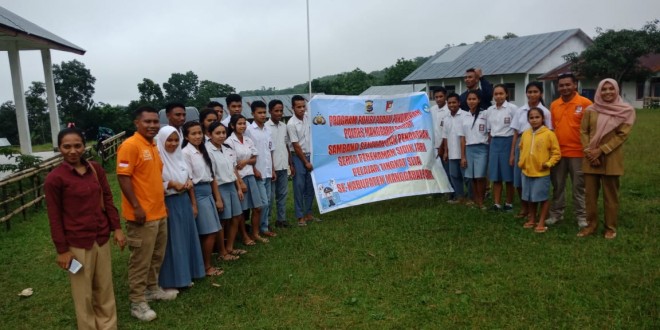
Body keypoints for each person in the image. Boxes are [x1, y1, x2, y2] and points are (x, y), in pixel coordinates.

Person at [45, 127, 126, 330]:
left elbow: (107, 198)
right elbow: (54, 217)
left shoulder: (95, 169)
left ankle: (108, 326)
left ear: (84, 146)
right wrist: (62, 250)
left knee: (104, 289)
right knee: (83, 294)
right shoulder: (55, 178)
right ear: (59, 148)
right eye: (67, 146)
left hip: (101, 238)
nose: (73, 151)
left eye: (77, 145)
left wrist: (116, 228)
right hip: (77, 243)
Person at [117, 106, 175, 322]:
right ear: (136, 123)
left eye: (154, 122)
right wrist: (136, 206)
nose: (152, 125)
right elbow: (123, 177)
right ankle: (137, 302)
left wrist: (161, 203)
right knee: (140, 259)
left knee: (156, 256)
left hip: (158, 211)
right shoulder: (130, 146)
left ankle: (152, 289)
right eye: (147, 122)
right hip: (141, 216)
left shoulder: (152, 145)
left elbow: (154, 178)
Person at [578, 79, 635, 239]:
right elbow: (583, 131)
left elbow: (622, 135)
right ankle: (591, 225)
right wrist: (590, 152)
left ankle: (610, 227)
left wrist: (601, 151)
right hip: (590, 158)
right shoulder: (591, 110)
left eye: (611, 89)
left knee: (611, 195)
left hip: (611, 157)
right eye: (604, 89)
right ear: (599, 91)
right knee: (590, 195)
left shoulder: (625, 110)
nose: (608, 92)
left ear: (617, 90)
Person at [155, 126, 205, 287]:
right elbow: (153, 184)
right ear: (162, 140)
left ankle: (189, 273)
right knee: (173, 241)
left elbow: (188, 177)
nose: (173, 143)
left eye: (176, 140)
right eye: (169, 140)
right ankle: (173, 279)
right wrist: (169, 184)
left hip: (184, 201)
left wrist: (192, 198)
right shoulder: (158, 159)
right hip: (169, 202)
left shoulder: (180, 157)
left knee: (186, 237)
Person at [181, 121, 231, 278]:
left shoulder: (203, 151)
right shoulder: (186, 153)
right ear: (187, 136)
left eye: (199, 133)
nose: (197, 136)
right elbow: (188, 180)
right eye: (193, 134)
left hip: (208, 192)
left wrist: (218, 198)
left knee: (213, 230)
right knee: (208, 232)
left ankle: (205, 264)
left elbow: (212, 177)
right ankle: (206, 266)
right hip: (197, 193)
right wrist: (194, 204)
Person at [547, 73, 592, 227]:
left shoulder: (585, 103)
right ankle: (556, 214)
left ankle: (582, 216)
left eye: (568, 85)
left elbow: (591, 129)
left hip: (579, 153)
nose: (564, 88)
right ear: (557, 87)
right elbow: (552, 129)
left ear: (575, 85)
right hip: (559, 153)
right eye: (561, 85)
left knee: (579, 187)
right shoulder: (554, 105)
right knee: (558, 185)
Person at [510, 82, 552, 219]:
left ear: (541, 94)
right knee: (519, 178)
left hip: (539, 146)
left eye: (535, 92)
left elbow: (549, 133)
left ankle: (537, 209)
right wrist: (512, 153)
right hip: (522, 144)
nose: (532, 94)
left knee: (537, 177)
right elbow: (516, 133)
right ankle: (525, 207)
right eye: (530, 92)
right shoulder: (520, 110)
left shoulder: (545, 112)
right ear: (526, 93)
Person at [225, 114, 270, 244]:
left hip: (250, 176)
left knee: (258, 207)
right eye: (239, 123)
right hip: (240, 178)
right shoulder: (229, 142)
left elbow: (254, 158)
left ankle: (255, 234)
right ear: (232, 126)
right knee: (241, 212)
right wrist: (240, 182)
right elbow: (232, 165)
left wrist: (245, 161)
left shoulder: (248, 140)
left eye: (244, 123)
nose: (243, 126)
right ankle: (244, 236)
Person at [206, 121, 248, 254]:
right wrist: (218, 198)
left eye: (223, 132)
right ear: (209, 134)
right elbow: (212, 175)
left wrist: (239, 187)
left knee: (236, 216)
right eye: (217, 133)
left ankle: (230, 247)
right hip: (220, 187)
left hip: (232, 185)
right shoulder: (208, 151)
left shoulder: (227, 149)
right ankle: (221, 251)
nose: (221, 135)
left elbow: (233, 169)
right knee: (223, 219)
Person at [518, 108, 561, 233]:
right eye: (531, 117)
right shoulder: (525, 133)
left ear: (543, 119)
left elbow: (556, 153)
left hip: (541, 173)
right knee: (530, 197)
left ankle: (541, 221)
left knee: (542, 197)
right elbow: (521, 148)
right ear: (528, 120)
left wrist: (548, 163)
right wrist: (521, 162)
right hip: (526, 171)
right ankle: (532, 218)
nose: (534, 120)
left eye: (537, 117)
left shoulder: (549, 134)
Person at [287, 95, 320, 226]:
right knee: (299, 187)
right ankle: (300, 216)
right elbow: (296, 145)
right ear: (292, 108)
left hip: (310, 155)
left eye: (303, 106)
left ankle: (308, 213)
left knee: (310, 186)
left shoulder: (308, 117)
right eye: (298, 107)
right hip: (298, 157)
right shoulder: (291, 124)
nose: (301, 109)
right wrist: (305, 162)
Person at [246, 101, 277, 237]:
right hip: (257, 172)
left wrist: (273, 169)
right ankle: (258, 230)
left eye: (264, 112)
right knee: (262, 203)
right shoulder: (249, 130)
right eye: (259, 112)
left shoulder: (267, 130)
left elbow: (270, 151)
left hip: (268, 171)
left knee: (268, 201)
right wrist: (253, 169)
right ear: (253, 114)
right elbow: (247, 152)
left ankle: (264, 227)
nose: (262, 115)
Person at [486, 84, 518, 211]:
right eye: (496, 94)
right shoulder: (490, 110)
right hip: (494, 143)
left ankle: (509, 203)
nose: (498, 96)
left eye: (501, 94)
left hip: (508, 142)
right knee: (496, 175)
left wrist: (512, 151)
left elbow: (516, 130)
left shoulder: (512, 109)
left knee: (508, 176)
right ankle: (497, 203)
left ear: (506, 94)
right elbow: (489, 130)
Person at [459, 90, 489, 209]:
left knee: (480, 176)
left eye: (474, 99)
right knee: (472, 177)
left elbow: (490, 132)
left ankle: (481, 201)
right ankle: (475, 199)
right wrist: (463, 156)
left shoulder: (485, 114)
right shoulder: (464, 116)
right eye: (469, 99)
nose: (471, 102)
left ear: (479, 100)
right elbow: (462, 138)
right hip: (469, 149)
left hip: (482, 148)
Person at [266, 99, 293, 228]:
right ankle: (267, 222)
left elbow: (286, 145)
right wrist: (271, 168)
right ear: (270, 111)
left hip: (283, 166)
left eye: (281, 110)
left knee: (282, 195)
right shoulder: (265, 127)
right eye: (276, 110)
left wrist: (290, 163)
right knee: (270, 198)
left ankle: (281, 219)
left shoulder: (284, 126)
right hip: (271, 167)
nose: (279, 113)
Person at [442, 93, 472, 203]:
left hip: (464, 153)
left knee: (467, 177)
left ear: (459, 103)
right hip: (452, 153)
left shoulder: (465, 115)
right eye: (449, 103)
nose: (451, 105)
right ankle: (460, 197)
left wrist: (464, 155)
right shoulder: (446, 118)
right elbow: (445, 136)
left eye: (454, 102)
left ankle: (471, 198)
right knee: (454, 175)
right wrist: (445, 152)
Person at [431, 87, 451, 194]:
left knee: (447, 170)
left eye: (441, 96)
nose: (438, 99)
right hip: (434, 146)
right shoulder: (432, 110)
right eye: (436, 97)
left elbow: (446, 132)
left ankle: (452, 192)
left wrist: (443, 147)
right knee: (437, 170)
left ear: (445, 96)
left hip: (446, 146)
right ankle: (438, 191)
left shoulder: (449, 109)